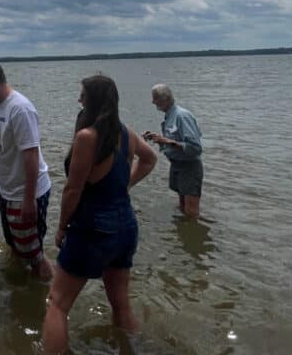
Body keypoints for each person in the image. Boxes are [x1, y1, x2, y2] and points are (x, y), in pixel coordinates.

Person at [42, 75, 157, 354]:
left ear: (93, 100)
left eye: (82, 95)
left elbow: (73, 190)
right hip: (125, 225)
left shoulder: (87, 137)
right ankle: (133, 349)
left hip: (93, 229)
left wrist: (60, 228)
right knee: (121, 303)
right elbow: (150, 158)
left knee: (56, 303)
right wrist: (124, 185)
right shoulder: (126, 134)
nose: (78, 100)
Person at [0, 60, 53, 280]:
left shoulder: (20, 109)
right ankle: (21, 289)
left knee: (35, 255)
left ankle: (48, 300)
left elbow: (31, 156)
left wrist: (28, 200)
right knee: (16, 246)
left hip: (26, 193)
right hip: (8, 191)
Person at [143, 84, 203, 218]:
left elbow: (196, 148)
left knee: (191, 211)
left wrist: (167, 141)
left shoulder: (182, 116)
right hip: (176, 164)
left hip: (189, 167)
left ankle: (190, 234)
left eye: (155, 98)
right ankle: (184, 231)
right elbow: (173, 140)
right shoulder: (170, 115)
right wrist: (157, 138)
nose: (153, 102)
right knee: (182, 206)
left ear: (166, 98)